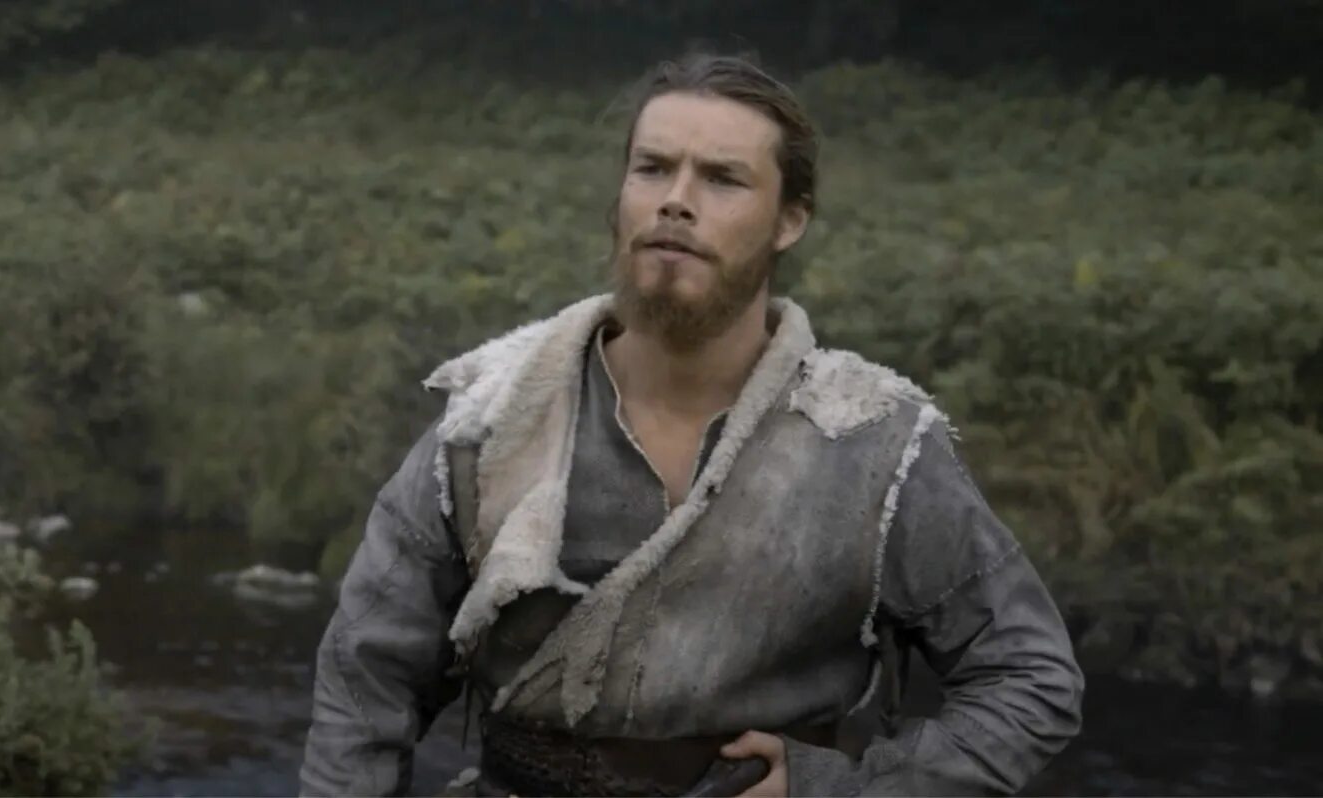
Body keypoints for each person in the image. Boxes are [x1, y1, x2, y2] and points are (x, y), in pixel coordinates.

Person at [300, 52, 1084, 797]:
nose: (676, 200)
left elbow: (1030, 679)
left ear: (789, 220)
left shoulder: (870, 439)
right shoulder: (493, 417)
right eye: (652, 168)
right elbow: (366, 681)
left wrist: (842, 787)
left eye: (722, 178)